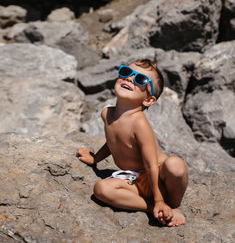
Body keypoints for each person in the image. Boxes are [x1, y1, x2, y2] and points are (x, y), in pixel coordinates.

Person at [76, 59, 188, 227]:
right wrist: (95, 159)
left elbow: (151, 164)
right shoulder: (107, 113)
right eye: (126, 73)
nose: (129, 79)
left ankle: (173, 205)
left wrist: (159, 197)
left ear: (149, 100)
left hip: (159, 179)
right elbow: (113, 142)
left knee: (175, 165)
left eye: (140, 80)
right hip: (135, 179)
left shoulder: (139, 123)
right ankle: (151, 207)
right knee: (101, 189)